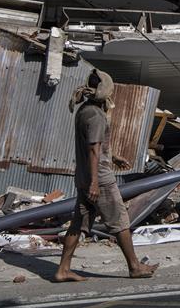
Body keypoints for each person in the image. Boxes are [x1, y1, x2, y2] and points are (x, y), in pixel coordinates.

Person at [54, 68, 158, 282]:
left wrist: (114, 157)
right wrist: (95, 183)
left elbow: (96, 147)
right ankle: (134, 266)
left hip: (84, 177)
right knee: (120, 221)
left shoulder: (84, 111)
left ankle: (63, 270)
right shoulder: (96, 115)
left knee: (78, 224)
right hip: (99, 180)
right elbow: (94, 149)